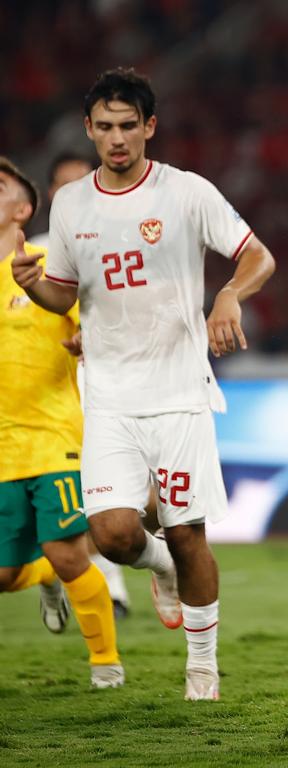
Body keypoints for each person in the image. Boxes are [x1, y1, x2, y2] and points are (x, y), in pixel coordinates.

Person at [11, 67, 275, 701]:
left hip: (179, 393)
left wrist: (229, 296)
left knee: (187, 531)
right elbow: (64, 294)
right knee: (113, 534)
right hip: (108, 398)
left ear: (149, 127)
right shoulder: (73, 205)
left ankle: (202, 668)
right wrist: (33, 287)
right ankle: (157, 569)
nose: (117, 138)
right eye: (104, 127)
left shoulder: (186, 193)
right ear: (89, 131)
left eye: (128, 125)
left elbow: (258, 256)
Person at [0, 156, 122, 688]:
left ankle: (105, 664)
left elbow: (98, 321)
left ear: (23, 208)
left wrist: (86, 342)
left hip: (54, 435)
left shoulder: (50, 261)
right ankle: (43, 575)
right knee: (6, 575)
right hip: (3, 445)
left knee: (71, 551)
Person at [29, 150, 133, 618]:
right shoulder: (30, 254)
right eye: (64, 185)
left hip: (99, 379)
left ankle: (108, 583)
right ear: (52, 193)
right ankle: (55, 571)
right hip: (43, 390)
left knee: (104, 485)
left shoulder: (113, 246)